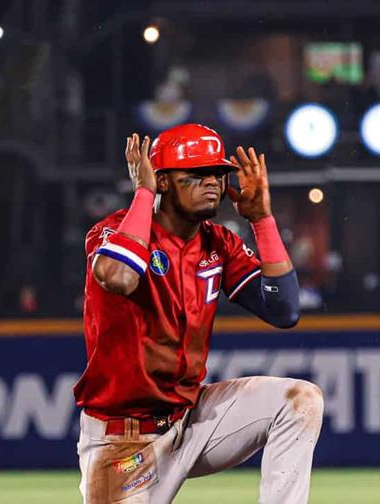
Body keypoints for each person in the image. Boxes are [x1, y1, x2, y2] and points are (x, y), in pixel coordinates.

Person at [75, 123, 323, 503]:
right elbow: (121, 278)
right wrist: (142, 192)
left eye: (218, 174)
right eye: (196, 175)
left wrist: (262, 220)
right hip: (123, 440)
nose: (213, 182)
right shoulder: (110, 233)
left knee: (299, 401)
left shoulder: (218, 242)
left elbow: (285, 309)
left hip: (191, 420)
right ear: (162, 182)